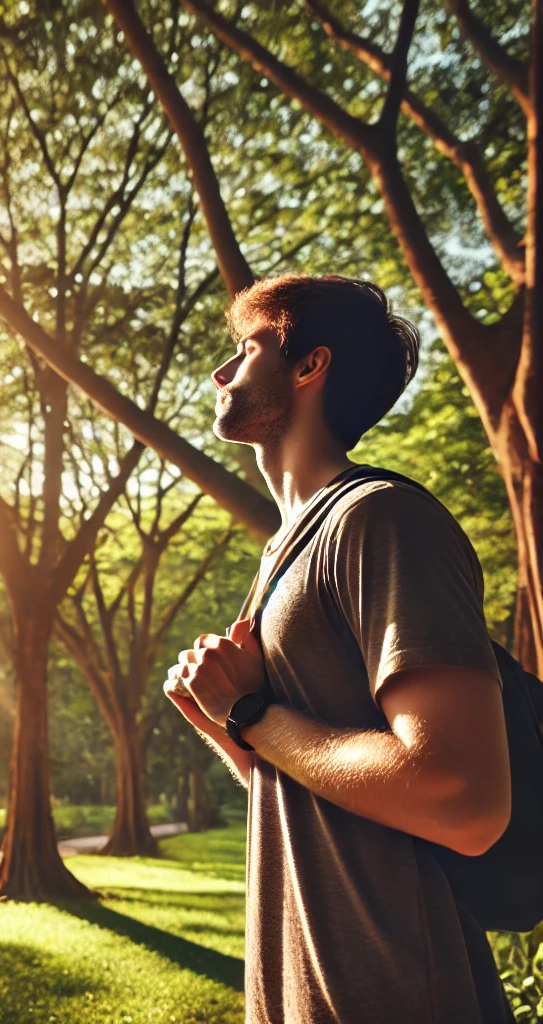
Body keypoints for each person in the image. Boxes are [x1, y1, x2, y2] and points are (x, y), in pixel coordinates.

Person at [166, 275, 513, 1024]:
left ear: (308, 366)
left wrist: (252, 712)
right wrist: (223, 721)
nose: (220, 372)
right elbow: (304, 784)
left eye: (246, 348)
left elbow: (465, 797)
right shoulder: (282, 554)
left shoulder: (381, 520)